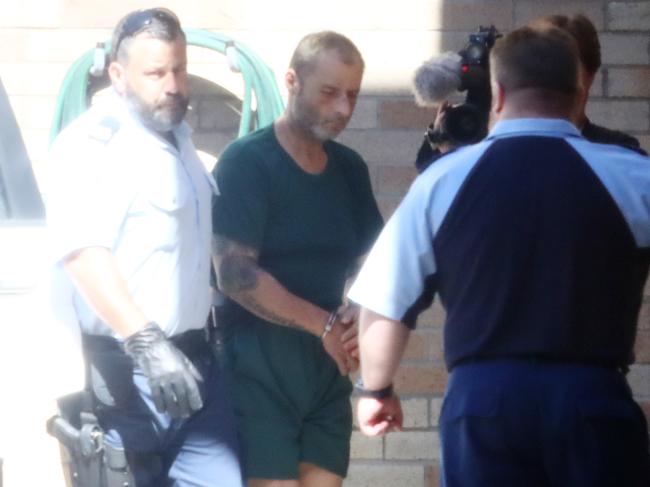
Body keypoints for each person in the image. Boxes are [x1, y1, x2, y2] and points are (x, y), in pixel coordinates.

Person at [349, 25, 650, 486]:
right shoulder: (633, 176)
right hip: (593, 402)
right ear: (578, 92)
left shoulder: (442, 181)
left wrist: (376, 389)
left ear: (498, 93)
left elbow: (386, 301)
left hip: (484, 405)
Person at [46, 8, 243, 486]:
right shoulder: (91, 145)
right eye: (155, 73)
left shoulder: (180, 140)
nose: (173, 84)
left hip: (197, 366)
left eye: (179, 68)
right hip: (126, 372)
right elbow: (82, 252)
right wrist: (147, 344)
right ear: (118, 75)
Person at [211, 31, 383, 487]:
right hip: (258, 369)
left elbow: (376, 262)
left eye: (352, 95)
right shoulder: (246, 161)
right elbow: (234, 274)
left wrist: (360, 312)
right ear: (292, 81)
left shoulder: (349, 169)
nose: (344, 109)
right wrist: (324, 325)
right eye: (329, 93)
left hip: (327, 371)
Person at [529, 13, 645, 153]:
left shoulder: (619, 150)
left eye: (564, 67)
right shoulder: (511, 149)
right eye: (540, 65)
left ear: (589, 76)